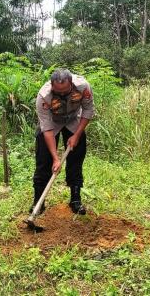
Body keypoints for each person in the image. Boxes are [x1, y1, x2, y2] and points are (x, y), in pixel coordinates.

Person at [33, 68, 95, 215]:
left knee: (76, 160)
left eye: (65, 91)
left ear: (71, 84)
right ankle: (38, 202)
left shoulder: (83, 87)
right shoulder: (43, 96)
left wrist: (77, 135)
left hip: (74, 121)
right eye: (57, 92)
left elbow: (88, 110)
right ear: (52, 85)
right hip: (52, 123)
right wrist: (55, 158)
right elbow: (47, 128)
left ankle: (75, 200)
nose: (61, 94)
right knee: (43, 161)